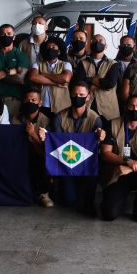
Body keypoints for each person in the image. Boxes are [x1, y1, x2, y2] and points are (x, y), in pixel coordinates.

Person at [44, 81, 105, 214]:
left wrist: (101, 137)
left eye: (82, 94)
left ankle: (89, 199)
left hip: (86, 163)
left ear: (88, 96)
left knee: (85, 199)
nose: (78, 97)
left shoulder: (95, 119)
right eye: (75, 94)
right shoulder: (60, 117)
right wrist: (45, 136)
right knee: (69, 201)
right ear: (70, 95)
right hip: (67, 163)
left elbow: (96, 146)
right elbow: (57, 143)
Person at [100, 95, 137, 222]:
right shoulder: (111, 124)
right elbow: (105, 153)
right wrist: (127, 161)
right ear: (125, 107)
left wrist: (133, 168)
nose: (135, 109)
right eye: (131, 106)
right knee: (108, 214)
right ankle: (119, 196)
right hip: (118, 173)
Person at [13, 88, 53, 207]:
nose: (30, 102)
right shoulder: (15, 118)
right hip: (20, 153)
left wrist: (33, 135)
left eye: (33, 100)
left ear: (40, 103)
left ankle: (44, 194)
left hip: (39, 154)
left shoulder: (46, 121)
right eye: (27, 100)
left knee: (41, 161)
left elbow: (48, 149)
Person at [0, 24, 29, 118]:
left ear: (14, 37)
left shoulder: (21, 55)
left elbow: (20, 79)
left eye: (9, 33)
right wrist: (8, 71)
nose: (6, 36)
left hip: (13, 101)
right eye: (3, 34)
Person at [73, 34, 121, 122]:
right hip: (87, 106)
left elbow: (110, 83)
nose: (97, 43)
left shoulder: (113, 64)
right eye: (94, 41)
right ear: (90, 44)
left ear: (106, 46)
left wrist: (89, 80)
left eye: (100, 41)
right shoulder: (82, 63)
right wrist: (101, 83)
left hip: (108, 110)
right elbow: (78, 82)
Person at [29, 37, 72, 117]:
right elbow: (33, 77)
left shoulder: (66, 64)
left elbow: (65, 78)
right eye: (48, 47)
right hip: (42, 105)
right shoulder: (37, 64)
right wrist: (56, 83)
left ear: (59, 51)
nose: (50, 49)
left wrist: (44, 74)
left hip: (62, 106)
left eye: (53, 47)